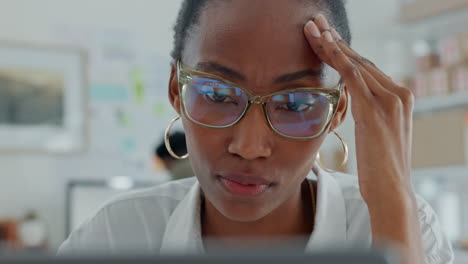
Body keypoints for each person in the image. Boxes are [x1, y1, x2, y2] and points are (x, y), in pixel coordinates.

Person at [58, 1, 454, 263]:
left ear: (338, 112)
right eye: (216, 93)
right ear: (176, 91)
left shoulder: (405, 225)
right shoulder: (115, 237)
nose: (249, 147)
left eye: (296, 104)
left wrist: (391, 201)